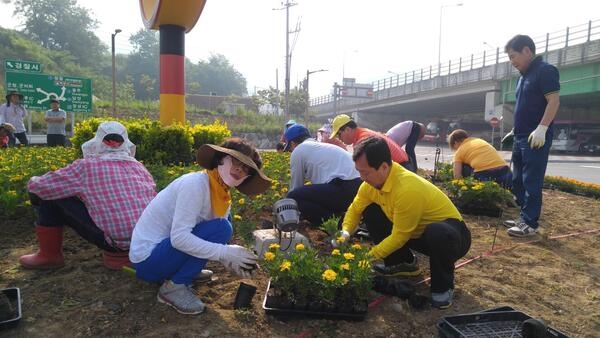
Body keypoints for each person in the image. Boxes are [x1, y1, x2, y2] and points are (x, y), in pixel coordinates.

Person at [129, 137, 271, 315]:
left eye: (245, 168)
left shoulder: (221, 195)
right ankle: (174, 288)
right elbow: (179, 238)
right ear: (220, 159)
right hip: (148, 261)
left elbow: (205, 235)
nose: (238, 169)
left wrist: (229, 259)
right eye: (235, 161)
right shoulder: (195, 185)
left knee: (222, 227)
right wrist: (225, 253)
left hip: (165, 253)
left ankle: (183, 271)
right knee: (222, 228)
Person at [335, 136, 471, 309]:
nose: (362, 177)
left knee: (437, 233)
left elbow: (400, 236)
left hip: (452, 238)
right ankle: (402, 263)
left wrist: (367, 257)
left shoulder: (407, 188)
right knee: (371, 210)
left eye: (366, 172)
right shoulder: (370, 185)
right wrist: (346, 232)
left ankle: (443, 287)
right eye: (359, 171)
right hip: (417, 233)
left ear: (384, 167)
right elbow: (355, 209)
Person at [20, 121, 156, 270]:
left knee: (51, 197)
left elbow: (39, 187)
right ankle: (128, 252)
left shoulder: (86, 166)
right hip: (147, 240)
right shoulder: (139, 167)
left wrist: (32, 180)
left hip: (115, 243)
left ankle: (49, 256)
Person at [501, 34, 560, 237]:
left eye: (513, 56)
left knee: (531, 180)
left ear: (527, 51)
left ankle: (530, 223)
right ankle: (523, 217)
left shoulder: (545, 71)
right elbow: (524, 108)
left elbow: (553, 101)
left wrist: (542, 128)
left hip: (536, 137)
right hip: (521, 136)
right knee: (518, 180)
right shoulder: (522, 77)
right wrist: (513, 131)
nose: (512, 62)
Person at [283, 124, 362, 226]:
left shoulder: (299, 150)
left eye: (289, 149)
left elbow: (295, 187)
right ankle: (343, 219)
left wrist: (288, 210)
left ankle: (339, 225)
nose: (291, 152)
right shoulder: (320, 146)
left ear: (293, 143)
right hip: (359, 187)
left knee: (294, 197)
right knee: (311, 195)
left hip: (345, 187)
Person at [330, 114, 411, 170]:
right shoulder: (363, 133)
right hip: (403, 165)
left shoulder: (362, 140)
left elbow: (366, 168)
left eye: (339, 134)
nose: (339, 139)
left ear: (347, 129)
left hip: (401, 168)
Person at [448, 129, 512, 188]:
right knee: (511, 189)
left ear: (455, 142)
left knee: (464, 167)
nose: (455, 150)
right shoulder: (480, 141)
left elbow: (457, 175)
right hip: (504, 169)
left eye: (454, 147)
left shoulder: (459, 151)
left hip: (484, 173)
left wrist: (460, 187)